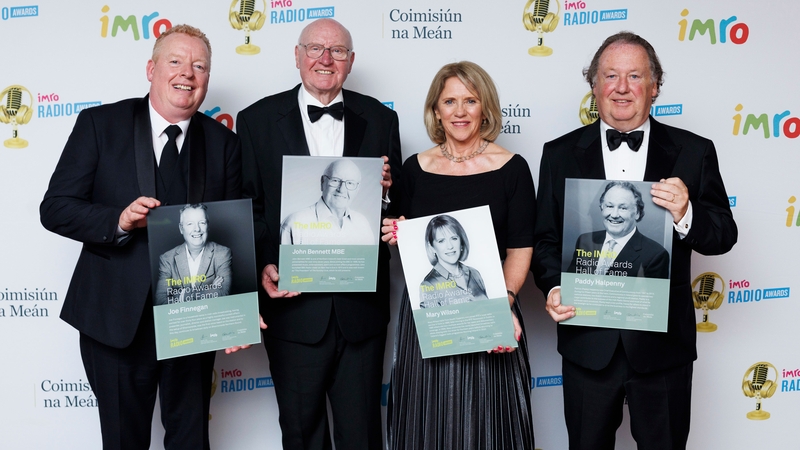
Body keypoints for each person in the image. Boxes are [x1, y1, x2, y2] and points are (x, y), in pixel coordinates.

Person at [40, 25, 243, 449]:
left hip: (194, 322)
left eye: (199, 65)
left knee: (191, 440)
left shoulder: (224, 143)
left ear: (207, 78)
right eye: (175, 61)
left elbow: (232, 234)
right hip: (114, 320)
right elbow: (55, 208)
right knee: (122, 441)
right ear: (151, 69)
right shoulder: (100, 124)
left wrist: (235, 315)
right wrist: (118, 220)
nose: (187, 73)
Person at [532, 32, 737, 449]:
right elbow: (546, 241)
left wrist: (686, 214)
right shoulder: (559, 154)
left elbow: (723, 236)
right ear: (593, 85)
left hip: (663, 349)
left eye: (634, 76)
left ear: (655, 86)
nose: (621, 88)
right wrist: (555, 286)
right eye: (610, 75)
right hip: (588, 345)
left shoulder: (693, 152)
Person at [237, 18, 401, 450]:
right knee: (301, 432)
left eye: (338, 51)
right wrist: (263, 265)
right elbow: (250, 205)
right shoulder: (254, 121)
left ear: (351, 61)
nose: (325, 60)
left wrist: (386, 194)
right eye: (315, 49)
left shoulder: (382, 119)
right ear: (297, 55)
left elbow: (396, 209)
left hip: (361, 314)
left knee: (362, 434)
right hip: (293, 313)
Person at [381, 61, 535, 449]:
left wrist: (507, 305)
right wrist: (393, 233)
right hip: (427, 317)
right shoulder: (413, 169)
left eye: (470, 100)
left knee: (487, 427)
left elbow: (520, 248)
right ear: (436, 110)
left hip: (490, 310)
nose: (460, 111)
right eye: (450, 101)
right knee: (427, 422)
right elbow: (405, 238)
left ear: (485, 108)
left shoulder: (512, 169)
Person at [566, 181, 669, 278]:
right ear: (602, 208)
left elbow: (650, 296)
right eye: (609, 206)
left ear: (637, 213)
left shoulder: (656, 255)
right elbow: (571, 285)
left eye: (623, 208)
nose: (614, 215)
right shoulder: (585, 240)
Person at [280, 158, 376, 245]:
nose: (342, 189)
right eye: (335, 180)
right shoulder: (295, 222)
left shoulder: (363, 224)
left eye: (350, 183)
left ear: (357, 189)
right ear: (322, 182)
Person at [155, 204, 232, 305]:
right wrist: (210, 288)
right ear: (181, 229)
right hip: (181, 319)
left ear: (208, 226)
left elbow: (223, 293)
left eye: (202, 223)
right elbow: (160, 301)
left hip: (213, 317)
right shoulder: (167, 259)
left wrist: (181, 296)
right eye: (190, 224)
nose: (197, 229)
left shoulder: (222, 253)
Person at [418, 214, 488, 308]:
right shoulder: (428, 285)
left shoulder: (475, 273)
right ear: (432, 248)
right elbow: (433, 322)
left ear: (461, 242)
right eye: (441, 241)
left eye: (454, 238)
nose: (450, 246)